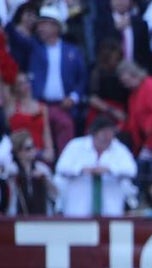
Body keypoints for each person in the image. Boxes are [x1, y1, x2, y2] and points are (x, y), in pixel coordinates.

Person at [54, 115, 138, 217]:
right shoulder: (76, 145)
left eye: (111, 132)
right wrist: (82, 169)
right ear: (94, 133)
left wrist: (109, 169)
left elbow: (132, 170)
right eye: (104, 133)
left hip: (110, 209)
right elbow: (61, 167)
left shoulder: (119, 148)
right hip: (78, 208)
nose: (108, 137)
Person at [30, 5, 86, 155]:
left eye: (44, 23)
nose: (40, 28)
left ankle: (64, 168)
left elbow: (82, 79)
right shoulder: (34, 48)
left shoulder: (72, 51)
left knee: (66, 127)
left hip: (63, 106)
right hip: (39, 104)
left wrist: (73, 98)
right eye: (39, 24)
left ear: (56, 26)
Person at [5, 129, 56, 215]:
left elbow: (55, 194)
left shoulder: (42, 168)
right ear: (18, 152)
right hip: (17, 217)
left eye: (33, 146)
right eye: (28, 148)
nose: (33, 150)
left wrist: (45, 179)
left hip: (41, 217)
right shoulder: (11, 169)